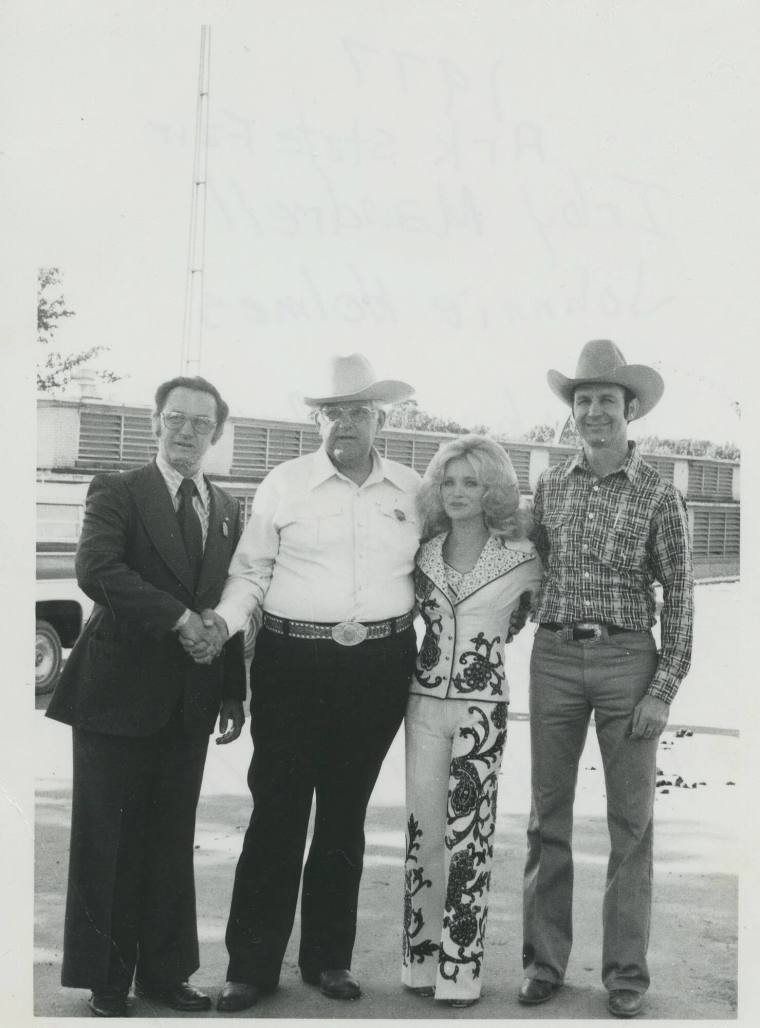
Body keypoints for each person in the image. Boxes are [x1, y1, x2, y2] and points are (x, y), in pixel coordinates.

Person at [208, 353, 421, 1013]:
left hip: (379, 669)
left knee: (343, 816)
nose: (344, 423)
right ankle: (251, 967)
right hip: (291, 665)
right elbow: (250, 572)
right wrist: (222, 624)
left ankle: (328, 959)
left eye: (358, 411)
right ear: (318, 418)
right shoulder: (285, 483)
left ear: (380, 418)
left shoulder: (413, 489)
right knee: (278, 812)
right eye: (333, 412)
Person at [45, 375, 247, 1018]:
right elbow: (97, 570)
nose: (187, 432)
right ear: (155, 421)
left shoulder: (226, 506)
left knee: (168, 839)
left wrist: (233, 690)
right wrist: (178, 620)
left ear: (217, 432)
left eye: (201, 423)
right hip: (114, 697)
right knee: (109, 841)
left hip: (190, 699)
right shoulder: (118, 490)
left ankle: (163, 974)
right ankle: (107, 980)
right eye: (176, 419)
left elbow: (224, 605)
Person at [518, 340, 694, 1019]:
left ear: (630, 410)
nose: (594, 412)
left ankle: (625, 974)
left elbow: (679, 595)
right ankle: (544, 963)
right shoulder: (551, 485)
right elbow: (530, 577)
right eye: (583, 400)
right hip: (554, 657)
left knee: (631, 824)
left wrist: (663, 687)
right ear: (573, 411)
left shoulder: (657, 493)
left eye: (606, 402)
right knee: (546, 816)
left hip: (627, 661)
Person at [401, 436, 541, 1008]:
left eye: (472, 483)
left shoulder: (523, 557)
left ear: (494, 491)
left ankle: (461, 972)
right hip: (423, 701)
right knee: (422, 831)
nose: (458, 493)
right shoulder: (422, 552)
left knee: (471, 835)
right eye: (449, 482)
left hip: (484, 710)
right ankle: (418, 964)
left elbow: (537, 611)